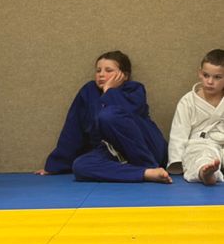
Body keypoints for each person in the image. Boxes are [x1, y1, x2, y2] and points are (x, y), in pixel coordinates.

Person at [36, 50, 171, 183]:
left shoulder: (134, 89)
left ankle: (148, 166)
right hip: (113, 151)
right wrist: (55, 165)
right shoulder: (88, 91)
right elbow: (73, 129)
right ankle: (146, 173)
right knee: (80, 166)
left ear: (124, 75)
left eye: (108, 70)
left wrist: (109, 91)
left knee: (108, 115)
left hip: (146, 147)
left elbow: (125, 117)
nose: (101, 75)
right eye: (98, 70)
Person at [167, 49, 224, 185]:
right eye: (206, 75)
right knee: (203, 157)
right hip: (201, 145)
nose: (210, 81)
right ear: (200, 73)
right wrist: (177, 162)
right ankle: (206, 173)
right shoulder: (188, 101)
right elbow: (178, 134)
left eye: (217, 77)